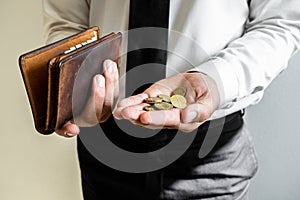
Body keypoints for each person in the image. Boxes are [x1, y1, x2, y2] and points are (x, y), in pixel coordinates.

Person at [42, 0, 300, 199]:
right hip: (105, 144)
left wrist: (214, 81)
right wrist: (74, 87)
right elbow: (67, 22)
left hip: (210, 153)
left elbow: (280, 22)